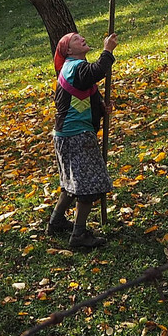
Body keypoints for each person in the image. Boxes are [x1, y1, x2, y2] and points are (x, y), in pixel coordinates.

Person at [47, 30, 117, 249]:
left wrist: (100, 109)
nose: (82, 38)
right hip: (76, 135)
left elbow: (83, 95)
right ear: (68, 50)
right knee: (89, 184)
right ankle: (78, 236)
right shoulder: (75, 67)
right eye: (75, 39)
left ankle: (56, 221)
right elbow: (96, 72)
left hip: (67, 136)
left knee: (72, 183)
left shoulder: (73, 71)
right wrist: (107, 51)